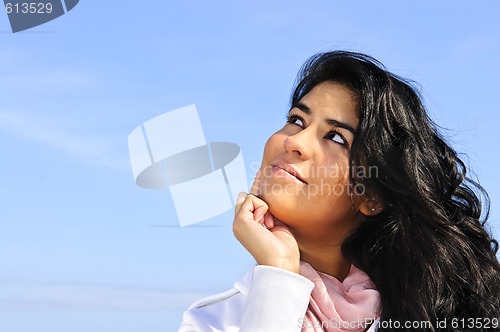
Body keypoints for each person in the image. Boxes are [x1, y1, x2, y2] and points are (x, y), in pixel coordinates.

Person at [179, 51, 500, 331]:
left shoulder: (434, 313)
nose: (294, 141)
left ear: (370, 197)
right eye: (296, 119)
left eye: (335, 137)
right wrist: (277, 275)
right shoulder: (211, 322)